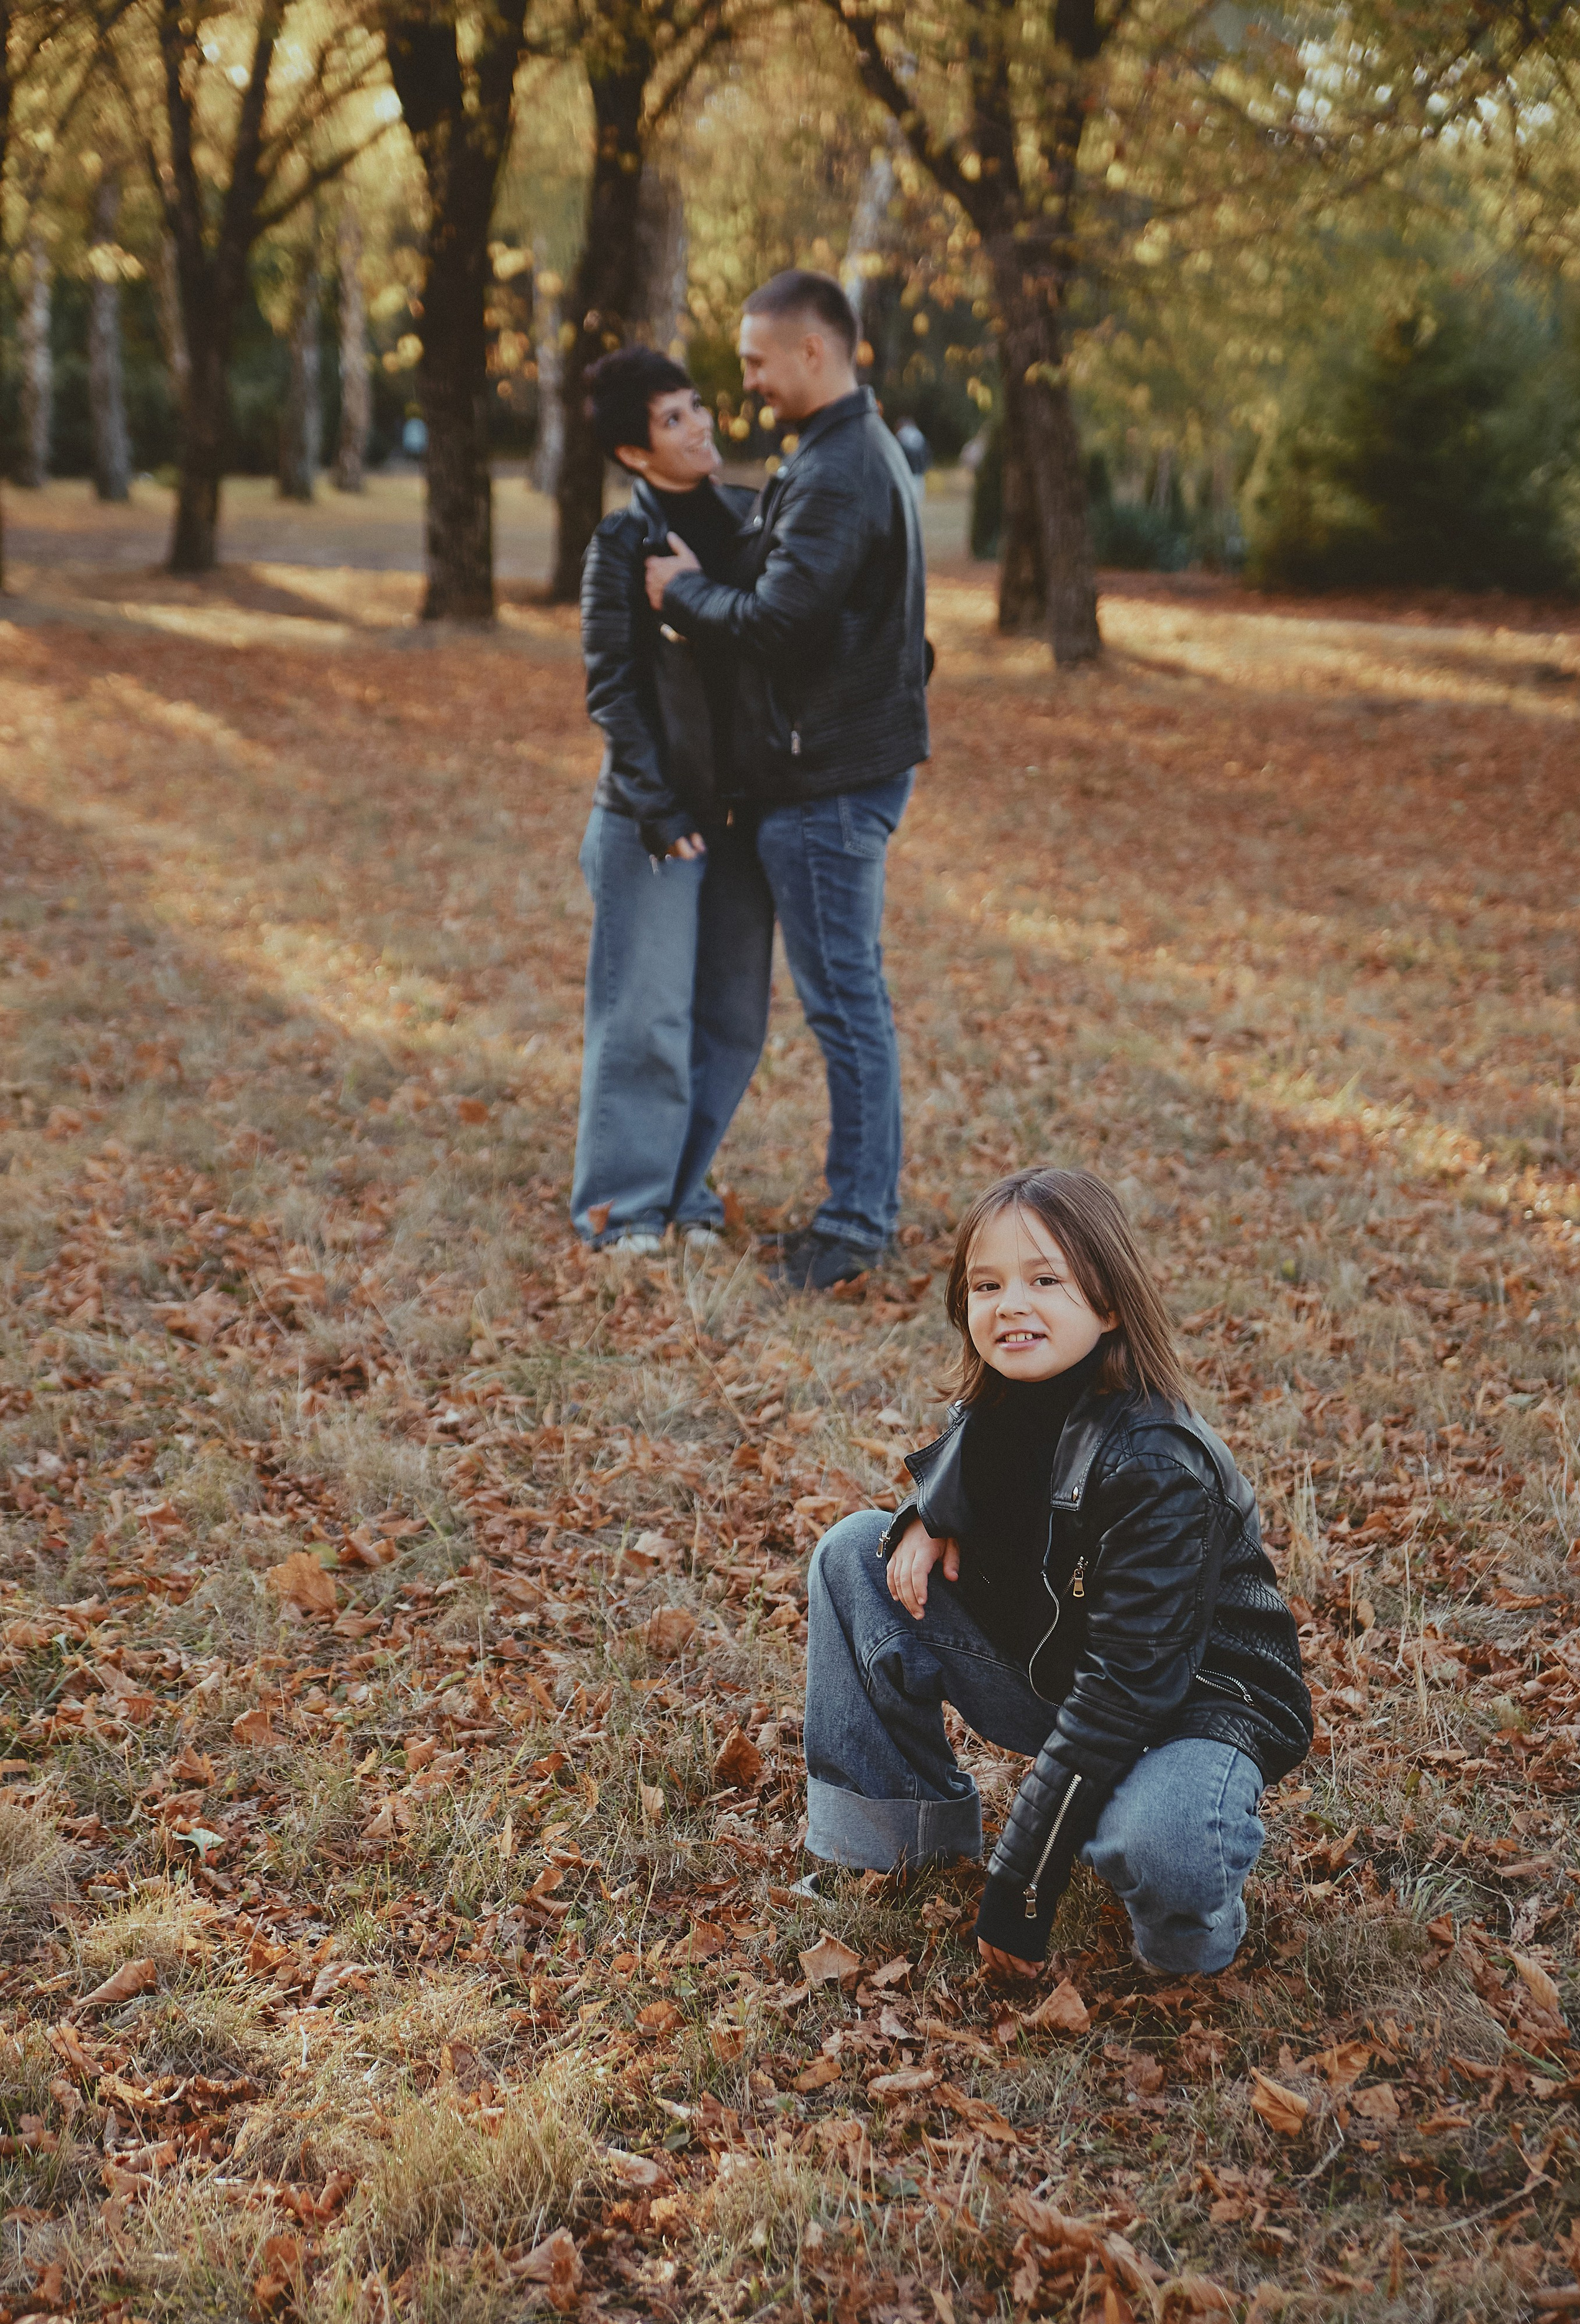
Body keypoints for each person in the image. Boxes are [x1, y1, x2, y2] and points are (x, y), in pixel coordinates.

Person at [801, 1167, 1312, 1978]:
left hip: (1189, 1710)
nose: (1011, 1305)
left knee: (1163, 1847)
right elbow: (970, 1467)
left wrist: (1023, 1884)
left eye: (1045, 1280)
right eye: (988, 1284)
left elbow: (1129, 1690)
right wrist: (924, 1518)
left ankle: (1193, 1921)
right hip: (1059, 1677)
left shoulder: (1159, 1463)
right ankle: (895, 1848)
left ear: (1108, 1303)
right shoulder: (1009, 1396)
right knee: (853, 1555)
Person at [645, 269, 930, 1293]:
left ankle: (856, 1228)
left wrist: (682, 594)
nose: (748, 378)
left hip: (826, 785)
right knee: (847, 1000)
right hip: (828, 771)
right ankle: (849, 1209)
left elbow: (779, 621)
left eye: (760, 359)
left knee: (847, 1006)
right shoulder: (843, 451)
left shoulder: (846, 464)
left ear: (816, 351)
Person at [571, 346, 765, 1254]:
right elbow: (612, 685)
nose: (700, 428)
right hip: (654, 822)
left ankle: (684, 1195)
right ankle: (622, 1209)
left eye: (697, 407)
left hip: (747, 818)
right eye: (673, 421)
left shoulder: (756, 519)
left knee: (731, 1019)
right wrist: (658, 806)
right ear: (636, 455)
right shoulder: (622, 541)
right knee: (645, 1017)